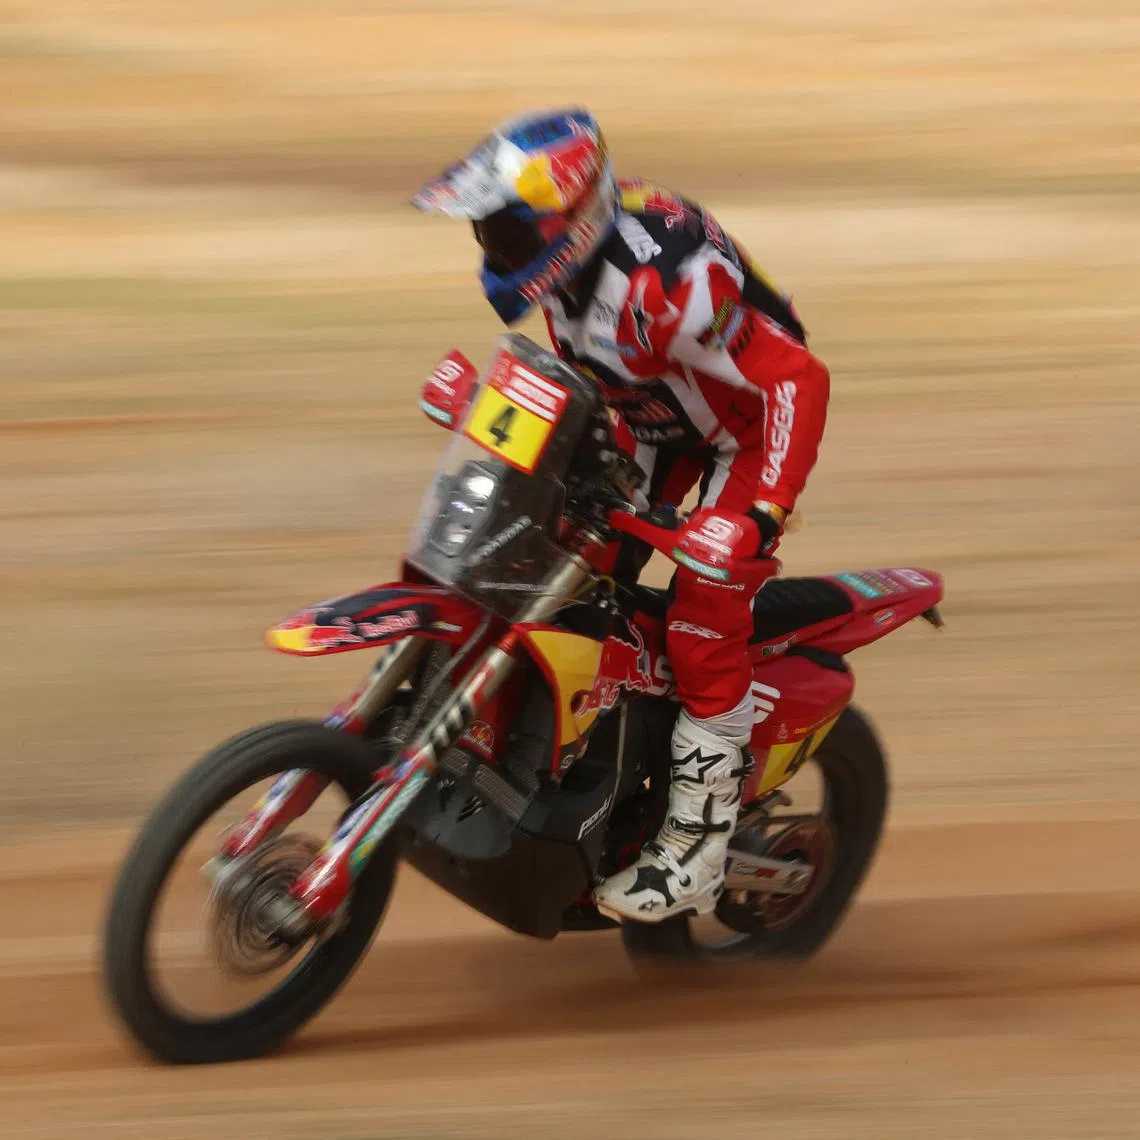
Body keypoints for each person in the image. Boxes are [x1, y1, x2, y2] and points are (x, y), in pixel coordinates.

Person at [412, 108, 830, 923]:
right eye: (486, 233)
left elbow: (798, 383)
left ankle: (696, 844)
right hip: (645, 421)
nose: (493, 250)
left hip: (740, 436)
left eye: (505, 232)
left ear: (571, 221)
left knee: (705, 613)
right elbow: (582, 389)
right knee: (541, 558)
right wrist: (482, 407)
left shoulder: (671, 281)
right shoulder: (567, 274)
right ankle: (565, 769)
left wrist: (759, 517)